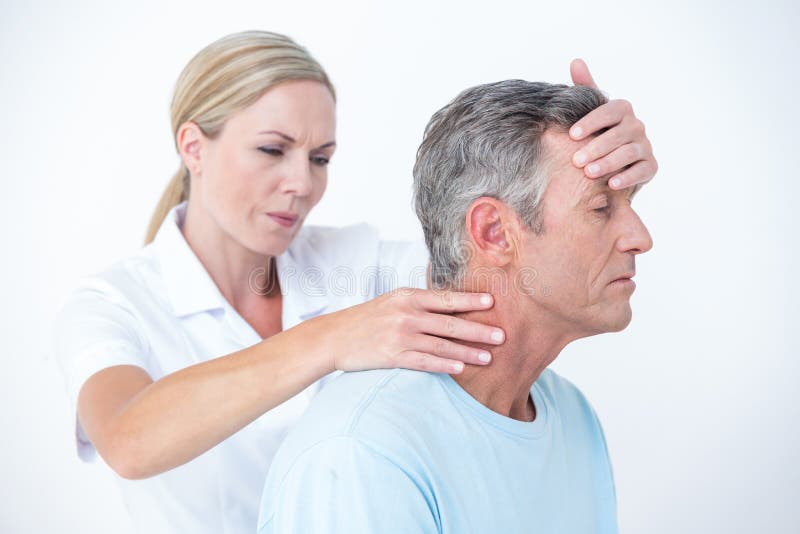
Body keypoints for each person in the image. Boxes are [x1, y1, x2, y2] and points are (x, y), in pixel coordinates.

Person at [52, 30, 658, 534]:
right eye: (272, 150)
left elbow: (499, 248)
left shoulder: (351, 259)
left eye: (320, 158)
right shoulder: (113, 305)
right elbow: (128, 441)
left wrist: (590, 170)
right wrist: (329, 339)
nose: (301, 184)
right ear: (193, 146)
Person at [257, 79, 653, 533]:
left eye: (630, 203)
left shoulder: (573, 418)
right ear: (494, 232)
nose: (640, 238)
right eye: (602, 207)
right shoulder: (363, 452)